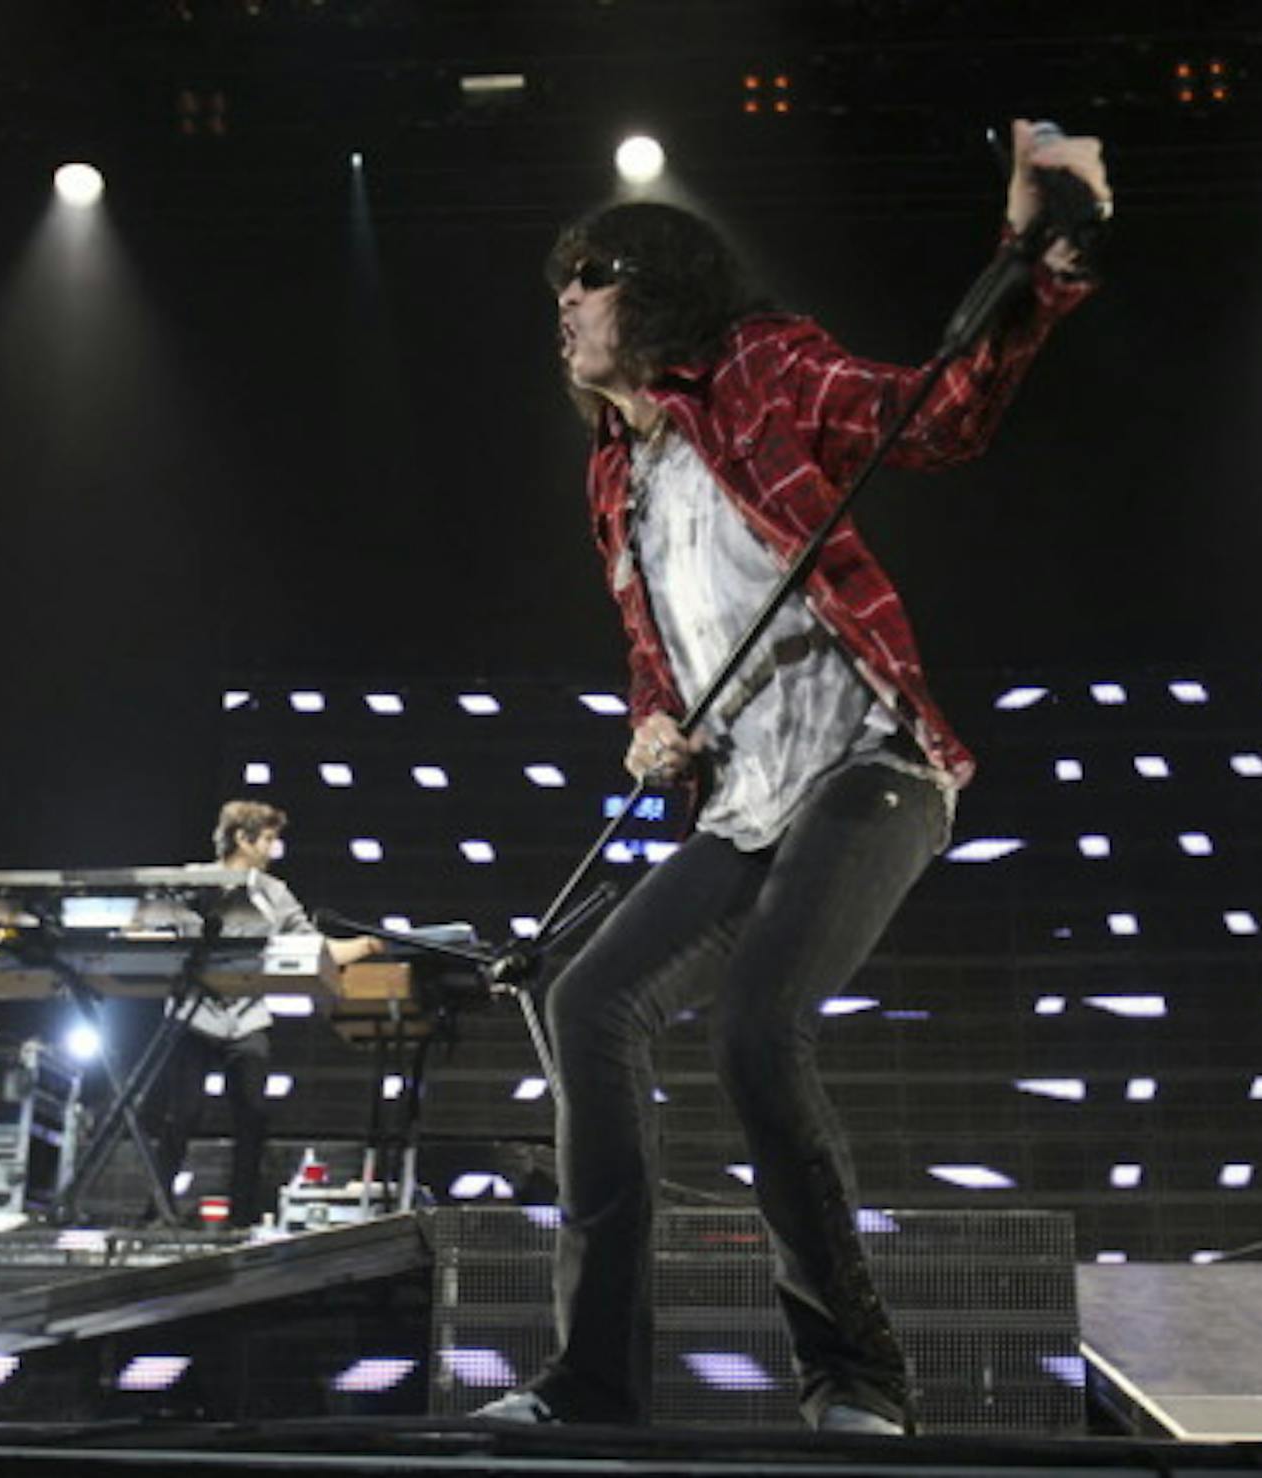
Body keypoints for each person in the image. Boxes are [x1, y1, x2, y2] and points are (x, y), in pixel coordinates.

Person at [475, 122, 1111, 1432]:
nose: (568, 304)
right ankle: (591, 1382)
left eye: (588, 275)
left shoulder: (760, 366)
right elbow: (659, 650)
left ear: (652, 286)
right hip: (748, 798)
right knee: (584, 997)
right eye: (560, 287)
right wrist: (652, 723)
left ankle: (857, 1375)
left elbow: (932, 417)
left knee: (759, 1025)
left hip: (873, 761)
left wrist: (1031, 263)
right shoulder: (615, 474)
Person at [145, 799, 383, 1228]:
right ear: (243, 837)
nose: (275, 848)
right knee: (184, 1114)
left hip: (247, 1017)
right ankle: (156, 1212)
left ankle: (242, 1215)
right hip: (192, 1014)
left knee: (254, 1114)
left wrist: (365, 946)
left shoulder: (276, 894)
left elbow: (315, 947)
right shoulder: (192, 880)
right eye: (269, 838)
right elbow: (148, 930)